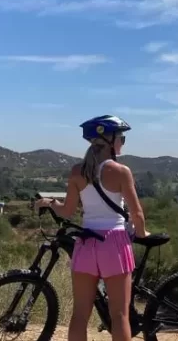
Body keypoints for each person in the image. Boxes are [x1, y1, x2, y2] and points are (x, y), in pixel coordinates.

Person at [35, 115, 149, 341]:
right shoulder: (121, 171)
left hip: (86, 243)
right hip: (114, 244)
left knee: (80, 315)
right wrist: (143, 233)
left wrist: (50, 203)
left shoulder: (77, 171)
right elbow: (136, 213)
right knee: (119, 315)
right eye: (121, 138)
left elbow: (67, 211)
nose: (122, 143)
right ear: (110, 141)